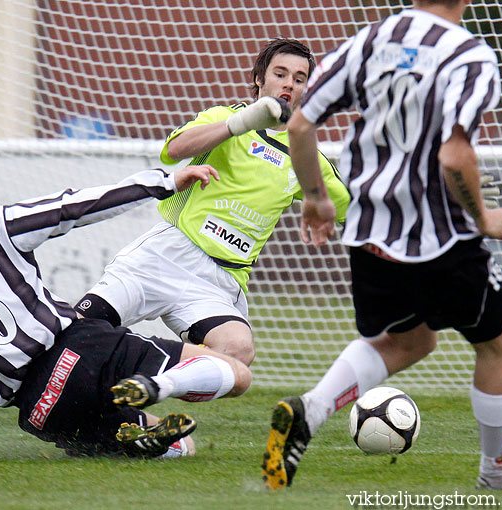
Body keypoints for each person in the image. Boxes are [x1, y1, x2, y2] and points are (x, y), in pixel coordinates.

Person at [262, 0, 502, 491]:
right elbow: (454, 155)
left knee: (412, 339)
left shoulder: (372, 39)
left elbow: (300, 124)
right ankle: (499, 474)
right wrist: (485, 218)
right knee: (498, 340)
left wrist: (317, 199)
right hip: (440, 238)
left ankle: (310, 410)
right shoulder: (469, 56)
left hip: (370, 233)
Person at [0, 156, 253, 458]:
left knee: (179, 446)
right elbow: (71, 207)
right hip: (80, 350)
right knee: (236, 373)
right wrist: (164, 183)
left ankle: (135, 432)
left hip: (41, 409)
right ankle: (159, 384)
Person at [74, 38, 351, 365]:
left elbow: (357, 209)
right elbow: (175, 150)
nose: (289, 83)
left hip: (219, 281)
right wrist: (241, 124)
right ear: (259, 79)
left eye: (300, 78)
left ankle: (148, 377)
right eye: (280, 73)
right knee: (80, 331)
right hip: (166, 255)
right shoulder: (225, 118)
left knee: (237, 355)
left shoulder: (308, 157)